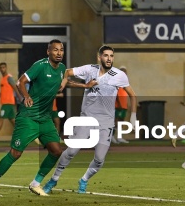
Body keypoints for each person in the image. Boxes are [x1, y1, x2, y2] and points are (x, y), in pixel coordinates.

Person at [43, 46, 137, 194]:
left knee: (99, 159)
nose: (109, 58)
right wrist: (64, 84)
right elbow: (67, 72)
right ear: (99, 57)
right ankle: (54, 179)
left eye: (111, 56)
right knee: (72, 151)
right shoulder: (89, 69)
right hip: (86, 119)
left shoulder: (119, 75)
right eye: (105, 55)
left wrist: (133, 116)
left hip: (106, 122)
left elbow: (132, 94)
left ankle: (84, 180)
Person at [0, 40, 66, 197]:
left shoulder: (62, 69)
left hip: (45, 118)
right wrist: (26, 96)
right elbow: (21, 81)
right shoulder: (40, 65)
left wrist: (85, 86)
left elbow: (63, 82)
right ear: (48, 52)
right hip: (29, 116)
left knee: (56, 151)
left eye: (61, 50)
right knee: (15, 153)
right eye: (55, 50)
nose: (59, 52)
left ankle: (35, 184)